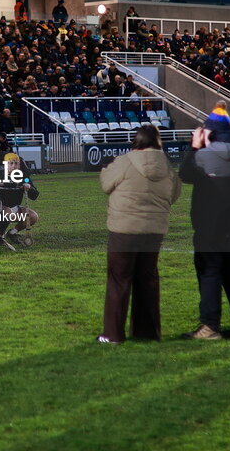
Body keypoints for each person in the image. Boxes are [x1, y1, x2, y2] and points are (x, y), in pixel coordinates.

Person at [178, 104, 230, 339]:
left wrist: (194, 148)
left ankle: (210, 325)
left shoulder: (204, 155)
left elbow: (185, 175)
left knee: (210, 275)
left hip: (209, 227)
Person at [97, 125, 181, 344]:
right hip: (154, 230)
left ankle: (113, 334)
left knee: (119, 279)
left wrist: (107, 170)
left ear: (137, 141)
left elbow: (106, 185)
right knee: (148, 278)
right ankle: (147, 333)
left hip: (124, 228)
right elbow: (175, 193)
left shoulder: (125, 161)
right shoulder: (167, 165)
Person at [0, 153, 40, 243]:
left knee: (33, 216)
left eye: (16, 163)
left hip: (15, 208)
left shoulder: (23, 176)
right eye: (11, 163)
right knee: (7, 213)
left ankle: (12, 232)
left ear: (19, 164)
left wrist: (29, 188)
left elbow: (35, 196)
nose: (14, 166)